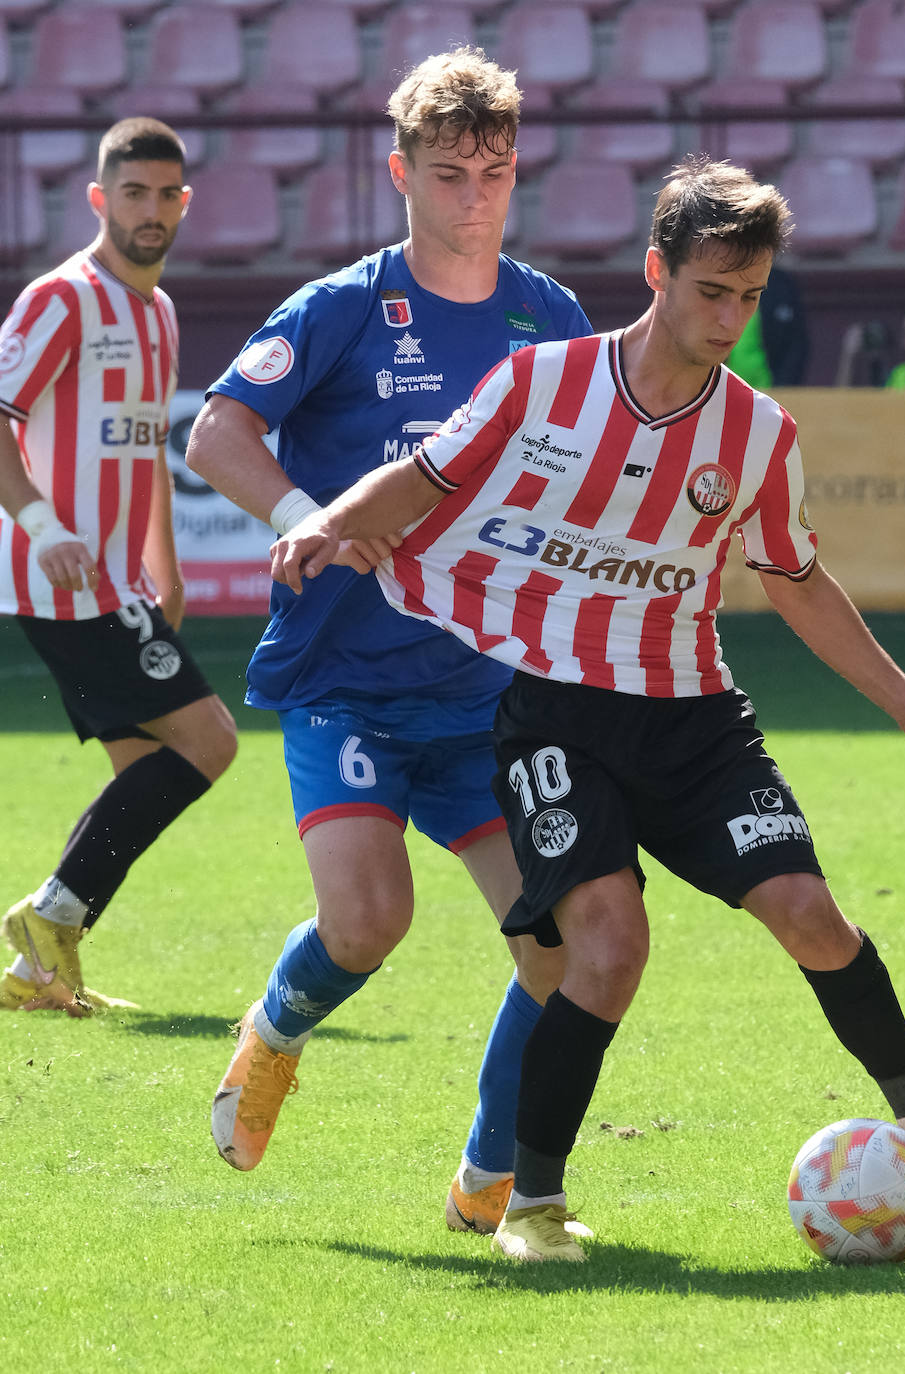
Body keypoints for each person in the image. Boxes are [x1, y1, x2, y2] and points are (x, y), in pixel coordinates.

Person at [271, 155, 905, 1263]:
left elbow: (795, 580)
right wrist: (324, 522)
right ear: (656, 272)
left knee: (811, 917)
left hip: (692, 720)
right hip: (553, 720)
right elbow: (428, 480)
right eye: (709, 290)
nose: (728, 316)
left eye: (748, 295)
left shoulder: (758, 433)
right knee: (607, 945)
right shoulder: (543, 384)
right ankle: (530, 1206)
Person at [185, 48, 592, 1234]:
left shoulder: (548, 317)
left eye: (496, 170)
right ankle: (271, 1034)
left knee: (559, 948)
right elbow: (216, 432)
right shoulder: (345, 308)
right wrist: (303, 514)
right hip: (346, 683)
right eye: (451, 171)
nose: (476, 193)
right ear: (398, 171)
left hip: (487, 699)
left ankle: (488, 1180)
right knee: (368, 924)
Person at [0, 118, 238, 1016]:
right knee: (211, 743)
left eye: (164, 193)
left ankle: (36, 976)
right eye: (130, 193)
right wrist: (38, 521)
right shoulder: (61, 299)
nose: (149, 209)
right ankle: (47, 916)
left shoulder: (159, 310)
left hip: (117, 579)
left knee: (142, 766)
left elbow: (145, 456)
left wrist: (164, 570)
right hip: (59, 577)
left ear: (184, 202)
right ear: (100, 199)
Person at [726, 262, 809, 386]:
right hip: (713, 392)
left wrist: (782, 388)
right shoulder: (709, 278)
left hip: (767, 391)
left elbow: (795, 344)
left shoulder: (781, 283)